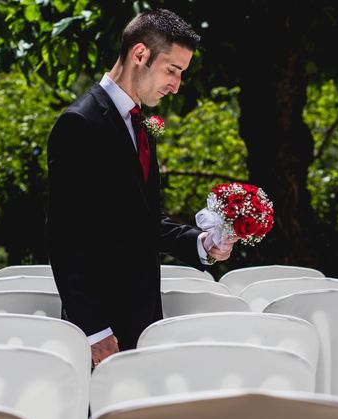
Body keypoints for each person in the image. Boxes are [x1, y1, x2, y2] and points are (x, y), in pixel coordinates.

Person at [45, 8, 235, 368]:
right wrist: (93, 331)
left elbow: (142, 221)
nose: (177, 85)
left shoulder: (140, 123)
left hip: (143, 319)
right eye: (172, 70)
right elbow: (64, 238)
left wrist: (201, 243)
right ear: (140, 55)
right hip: (102, 332)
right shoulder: (78, 124)